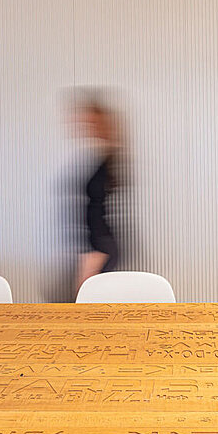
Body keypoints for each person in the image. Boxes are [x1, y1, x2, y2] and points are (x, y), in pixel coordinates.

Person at [72, 91, 126, 293]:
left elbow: (100, 210)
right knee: (86, 300)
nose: (85, 126)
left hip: (100, 244)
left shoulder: (110, 160)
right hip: (95, 244)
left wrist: (95, 254)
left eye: (90, 122)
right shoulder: (101, 158)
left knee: (85, 301)